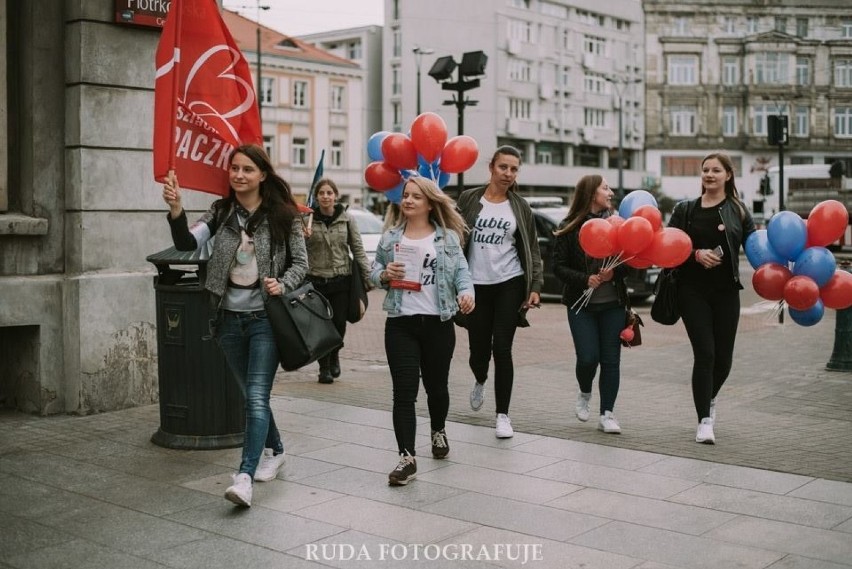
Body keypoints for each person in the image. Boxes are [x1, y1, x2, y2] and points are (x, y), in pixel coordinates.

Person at [162, 144, 308, 507]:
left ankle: (244, 476)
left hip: (265, 320)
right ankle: (276, 449)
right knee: (250, 395)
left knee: (256, 397)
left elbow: (302, 264)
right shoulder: (221, 212)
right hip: (226, 319)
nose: (239, 175)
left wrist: (283, 283)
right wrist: (177, 209)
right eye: (234, 169)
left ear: (262, 174)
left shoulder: (283, 216)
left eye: (247, 169)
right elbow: (185, 243)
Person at [370, 177, 475, 486]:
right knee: (403, 393)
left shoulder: (447, 239)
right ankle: (407, 458)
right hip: (401, 323)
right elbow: (373, 271)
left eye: (417, 196)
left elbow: (463, 275)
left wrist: (467, 295)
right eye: (406, 195)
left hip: (438, 324)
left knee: (436, 387)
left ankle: (438, 429)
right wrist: (384, 275)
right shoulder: (390, 239)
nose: (409, 200)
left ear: (430, 203)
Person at [667, 152, 756, 444]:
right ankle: (704, 420)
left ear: (728, 175)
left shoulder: (739, 211)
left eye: (716, 170)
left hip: (726, 292)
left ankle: (709, 397)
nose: (709, 174)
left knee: (724, 361)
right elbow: (668, 248)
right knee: (705, 354)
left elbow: (756, 247)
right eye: (705, 170)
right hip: (691, 291)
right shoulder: (685, 210)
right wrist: (695, 254)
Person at [457, 145, 543, 438]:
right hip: (475, 286)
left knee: (502, 349)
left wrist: (535, 286)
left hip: (509, 282)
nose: (508, 174)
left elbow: (532, 248)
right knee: (478, 351)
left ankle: (503, 415)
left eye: (514, 169)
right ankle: (480, 378)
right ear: (491, 167)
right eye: (503, 167)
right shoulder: (469, 198)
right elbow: (454, 237)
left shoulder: (520, 206)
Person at [552, 175, 629, 434]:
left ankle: (607, 413)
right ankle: (585, 391)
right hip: (580, 304)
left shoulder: (619, 224)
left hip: (613, 304)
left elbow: (631, 261)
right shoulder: (570, 226)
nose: (610, 192)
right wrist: (585, 279)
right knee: (588, 358)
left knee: (610, 361)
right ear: (590, 193)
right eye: (605, 188)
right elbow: (558, 267)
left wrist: (613, 274)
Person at [303, 178, 372, 384]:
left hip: (342, 280)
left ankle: (335, 355)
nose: (325, 196)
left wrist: (368, 277)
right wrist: (302, 236)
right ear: (316, 197)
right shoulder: (307, 220)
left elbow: (357, 249)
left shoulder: (347, 219)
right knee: (322, 326)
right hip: (316, 282)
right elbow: (297, 251)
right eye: (321, 193)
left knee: (339, 323)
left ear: (335, 196)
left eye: (329, 193)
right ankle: (324, 367)